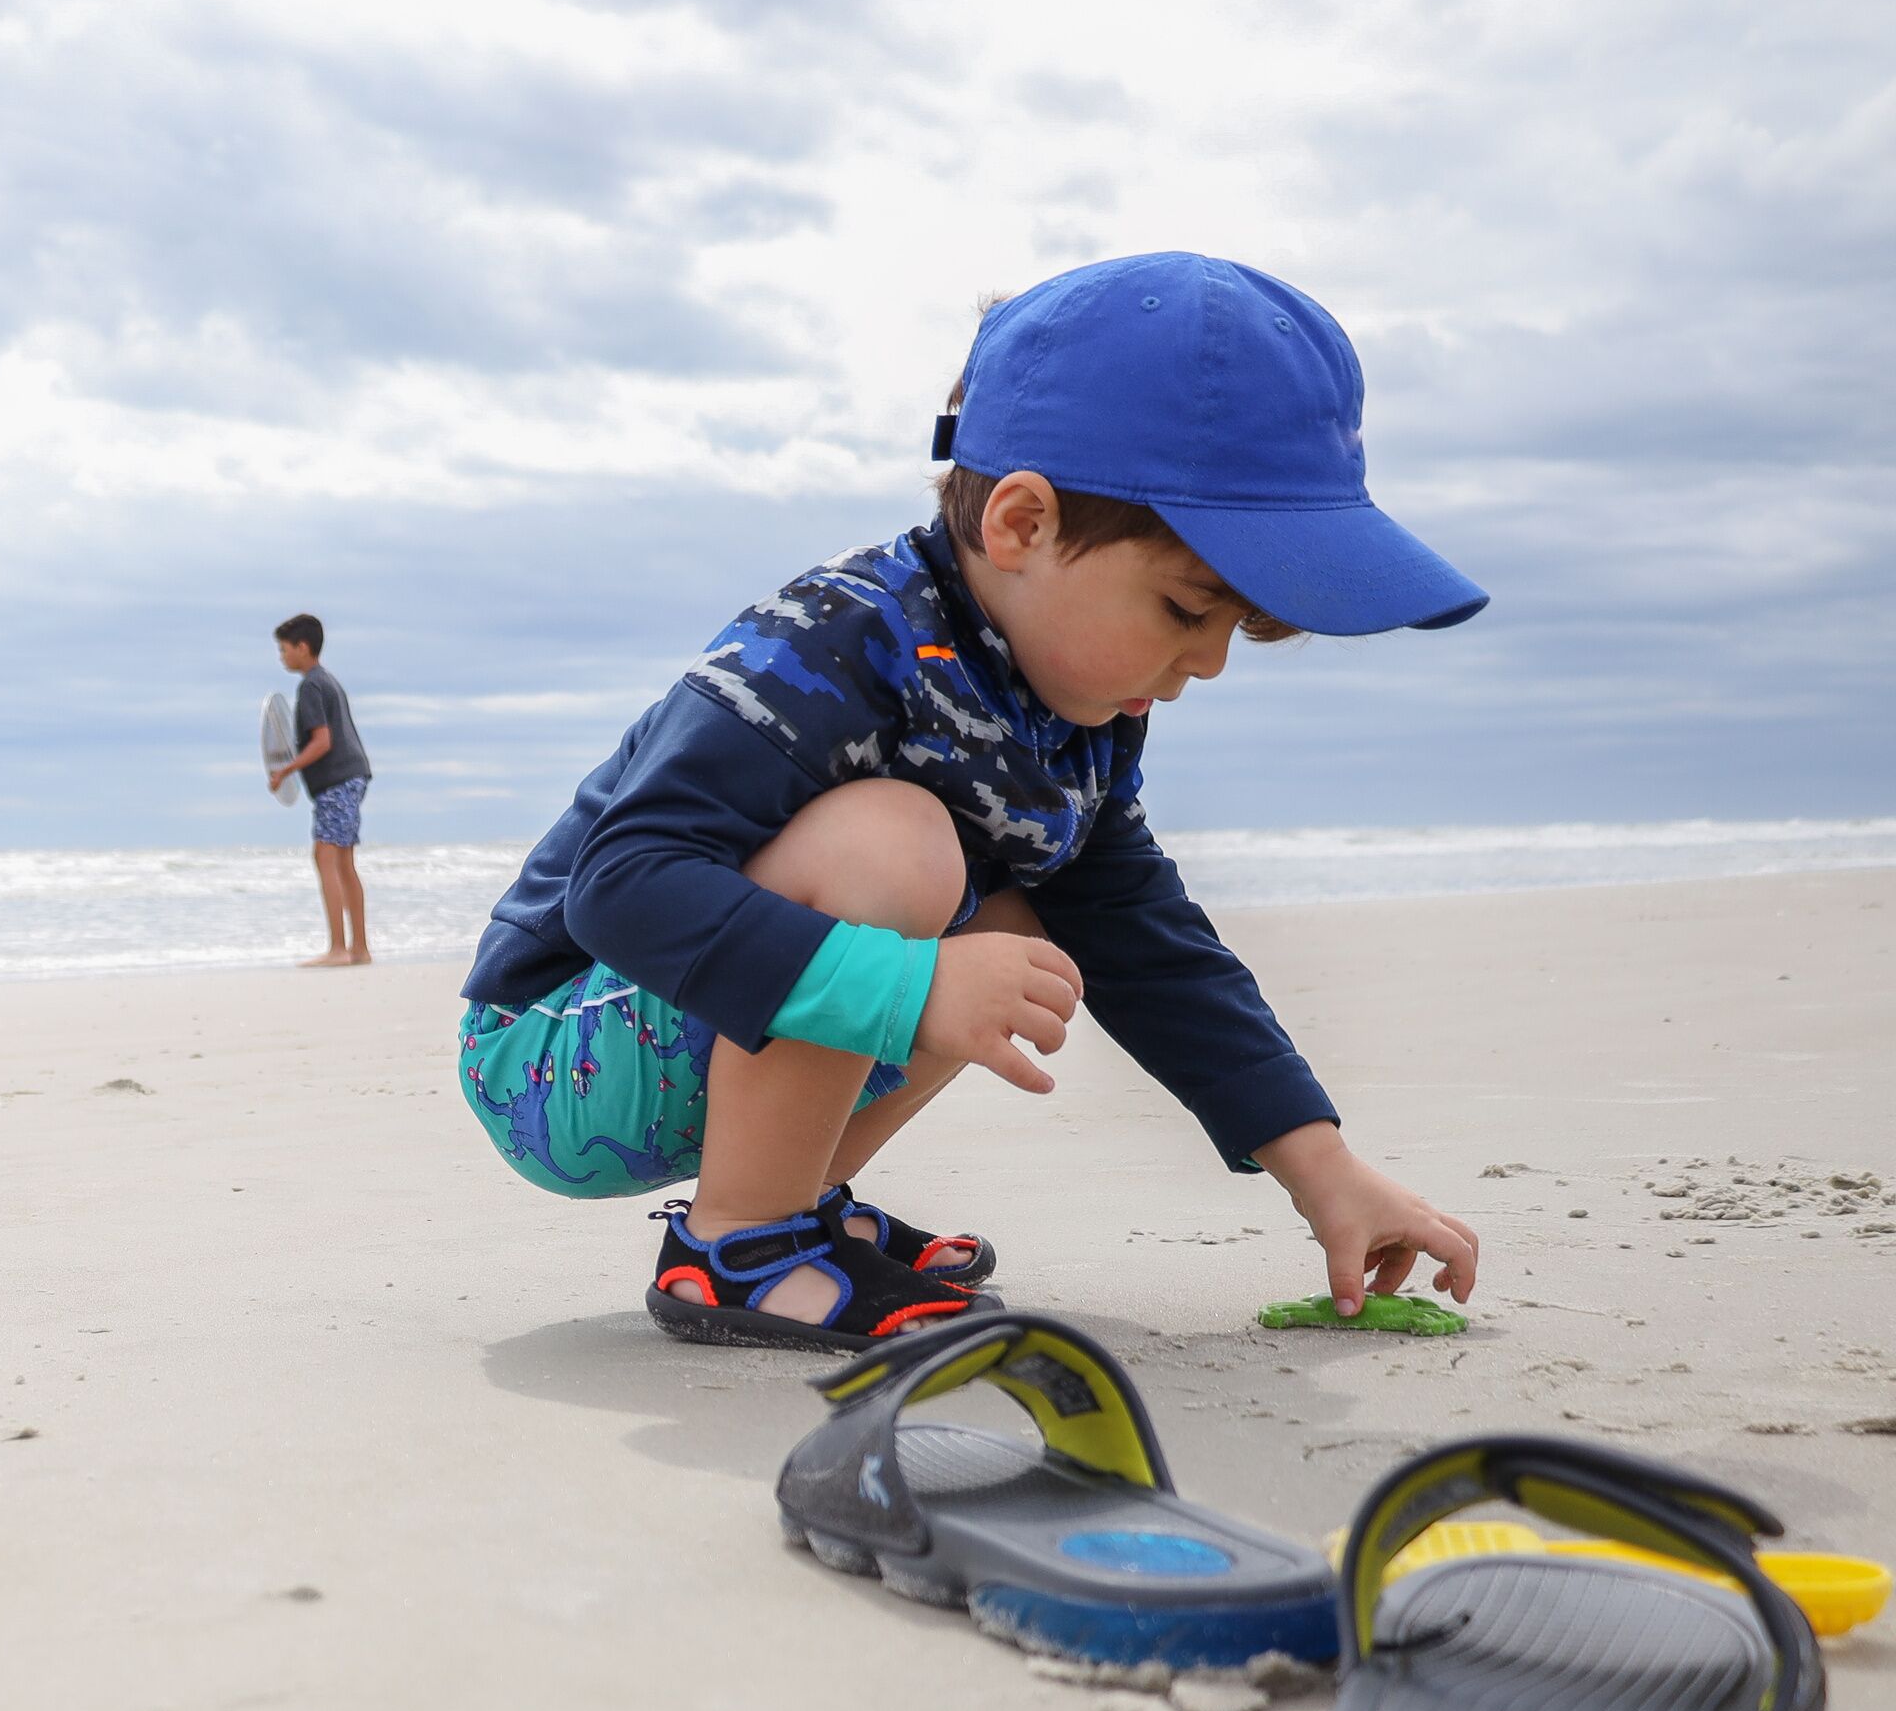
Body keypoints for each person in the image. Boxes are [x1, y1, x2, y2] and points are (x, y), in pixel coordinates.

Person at [456, 252, 1485, 1349]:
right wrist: (907, 985)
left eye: (1236, 628)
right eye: (1189, 609)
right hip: (555, 1048)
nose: (1211, 664)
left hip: (694, 1034)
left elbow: (1151, 945)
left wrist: (1320, 1166)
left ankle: (794, 1206)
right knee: (899, 849)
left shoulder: (1083, 714)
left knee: (1027, 919)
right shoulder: (834, 641)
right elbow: (624, 888)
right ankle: (741, 1246)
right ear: (1021, 524)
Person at [267, 614, 374, 966]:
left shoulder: (312, 685)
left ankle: (338, 949)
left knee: (325, 857)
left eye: (283, 649)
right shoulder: (328, 681)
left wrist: (285, 769)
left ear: (303, 647)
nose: (281, 656)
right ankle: (359, 949)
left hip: (337, 781)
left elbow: (322, 742)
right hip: (352, 777)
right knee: (343, 861)